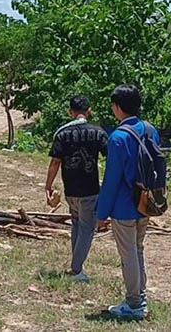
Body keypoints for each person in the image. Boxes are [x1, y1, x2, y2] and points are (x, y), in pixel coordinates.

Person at [97, 85, 160, 320]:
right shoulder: (149, 130)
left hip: (124, 206)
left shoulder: (118, 137)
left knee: (128, 255)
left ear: (117, 107)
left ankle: (134, 304)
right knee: (138, 250)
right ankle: (140, 297)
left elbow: (112, 180)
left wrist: (102, 213)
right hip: (145, 203)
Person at [45, 96, 108, 283]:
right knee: (87, 229)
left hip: (70, 189)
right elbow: (111, 158)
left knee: (77, 225)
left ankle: (76, 266)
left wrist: (48, 186)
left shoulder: (62, 133)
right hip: (90, 189)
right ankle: (76, 270)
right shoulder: (97, 132)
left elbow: (55, 162)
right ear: (89, 111)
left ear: (70, 112)